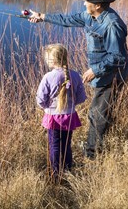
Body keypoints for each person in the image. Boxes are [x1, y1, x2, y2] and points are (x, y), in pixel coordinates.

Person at [28, 0, 128, 159]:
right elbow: (68, 20)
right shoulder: (90, 16)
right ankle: (96, 144)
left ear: (97, 4)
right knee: (100, 111)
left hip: (112, 75)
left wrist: (95, 70)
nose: (84, 4)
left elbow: (118, 57)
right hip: (101, 73)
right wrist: (42, 17)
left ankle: (92, 154)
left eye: (87, 1)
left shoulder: (112, 25)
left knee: (97, 114)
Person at [36, 43, 87, 180]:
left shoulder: (48, 77)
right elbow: (81, 97)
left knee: (54, 146)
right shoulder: (75, 75)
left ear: (52, 61)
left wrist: (47, 107)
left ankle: (55, 174)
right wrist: (70, 105)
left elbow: (40, 99)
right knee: (66, 144)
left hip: (53, 118)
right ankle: (68, 170)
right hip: (69, 116)